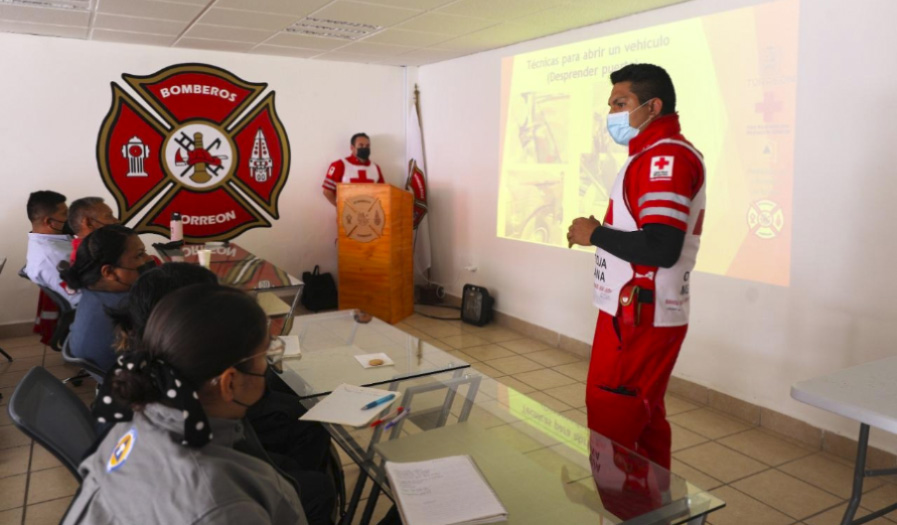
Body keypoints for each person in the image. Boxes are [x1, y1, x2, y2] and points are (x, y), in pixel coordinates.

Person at [62, 284, 307, 524]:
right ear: (228, 383)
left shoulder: (133, 419)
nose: (267, 364)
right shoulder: (220, 503)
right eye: (264, 355)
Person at [111, 263, 336, 525]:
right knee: (315, 484)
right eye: (264, 356)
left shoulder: (145, 375)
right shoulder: (224, 496)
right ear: (228, 382)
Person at [567, 64, 706, 469]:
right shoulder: (647, 155)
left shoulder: (665, 157)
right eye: (610, 104)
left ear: (652, 106)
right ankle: (653, 506)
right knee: (642, 418)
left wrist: (595, 233)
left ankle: (621, 508)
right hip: (629, 310)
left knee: (615, 418)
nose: (611, 113)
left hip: (639, 314)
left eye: (620, 103)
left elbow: (662, 246)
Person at [60, 225, 155, 373]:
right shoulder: (129, 307)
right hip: (137, 383)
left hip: (112, 378)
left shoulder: (90, 291)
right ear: (109, 272)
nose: (148, 259)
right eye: (139, 255)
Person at [24, 190, 80, 306]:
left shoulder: (55, 241)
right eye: (65, 214)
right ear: (50, 222)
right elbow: (78, 298)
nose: (70, 217)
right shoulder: (50, 258)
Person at [322, 132, 385, 206]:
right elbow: (327, 191)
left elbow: (383, 193)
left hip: (371, 214)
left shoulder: (375, 167)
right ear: (352, 148)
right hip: (347, 215)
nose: (364, 148)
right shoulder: (339, 165)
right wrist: (340, 208)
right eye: (361, 145)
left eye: (367, 146)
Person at [67, 196, 119, 263]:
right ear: (88, 223)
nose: (117, 221)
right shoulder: (90, 258)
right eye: (108, 216)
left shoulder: (99, 250)